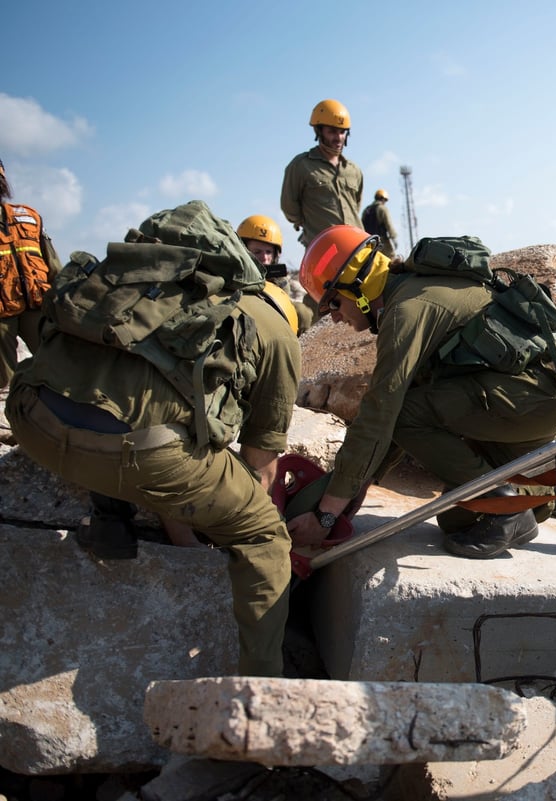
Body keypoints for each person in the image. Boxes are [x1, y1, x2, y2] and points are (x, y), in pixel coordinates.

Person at [5, 202, 301, 677]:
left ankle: (110, 521)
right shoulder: (274, 332)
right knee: (264, 534)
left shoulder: (134, 283)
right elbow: (260, 464)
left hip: (30, 417)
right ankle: (260, 692)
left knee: (117, 406)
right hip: (137, 456)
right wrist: (208, 533)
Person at [287, 226, 556, 559]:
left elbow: (382, 413)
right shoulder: (415, 288)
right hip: (533, 400)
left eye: (333, 303)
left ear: (357, 287)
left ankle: (504, 504)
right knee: (457, 518)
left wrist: (326, 515)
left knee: (408, 419)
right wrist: (361, 481)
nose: (333, 318)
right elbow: (407, 398)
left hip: (529, 403)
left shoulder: (407, 310)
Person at [0, 157, 62, 387]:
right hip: (1, 318)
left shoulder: (28, 217)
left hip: (36, 306)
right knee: (3, 381)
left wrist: (63, 296)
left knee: (54, 366)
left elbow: (52, 263)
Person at [280, 99, 364, 248]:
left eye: (342, 132)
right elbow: (289, 206)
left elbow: (356, 206)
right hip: (323, 250)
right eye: (332, 131)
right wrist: (310, 223)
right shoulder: (301, 166)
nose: (338, 137)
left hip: (356, 247)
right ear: (319, 131)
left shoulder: (354, 170)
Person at [237, 214, 317, 333]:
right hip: (245, 319)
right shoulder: (235, 273)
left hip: (273, 321)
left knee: (302, 312)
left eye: (268, 252)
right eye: (257, 252)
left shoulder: (278, 277)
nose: (264, 258)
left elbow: (284, 306)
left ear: (275, 255)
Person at [361, 189, 399, 258]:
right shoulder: (382, 208)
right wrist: (394, 238)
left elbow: (361, 226)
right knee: (391, 260)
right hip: (382, 241)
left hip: (369, 242)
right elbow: (389, 225)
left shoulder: (366, 210)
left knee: (373, 261)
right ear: (383, 199)